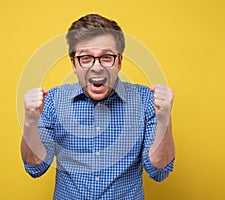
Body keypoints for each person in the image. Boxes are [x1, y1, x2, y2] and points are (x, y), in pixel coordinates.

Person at [21, 14, 175, 199]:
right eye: (85, 58)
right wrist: (30, 121)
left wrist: (164, 119)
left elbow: (160, 171)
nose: (96, 67)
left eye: (106, 57)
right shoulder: (53, 101)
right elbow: (35, 167)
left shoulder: (146, 102)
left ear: (119, 61)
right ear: (73, 64)